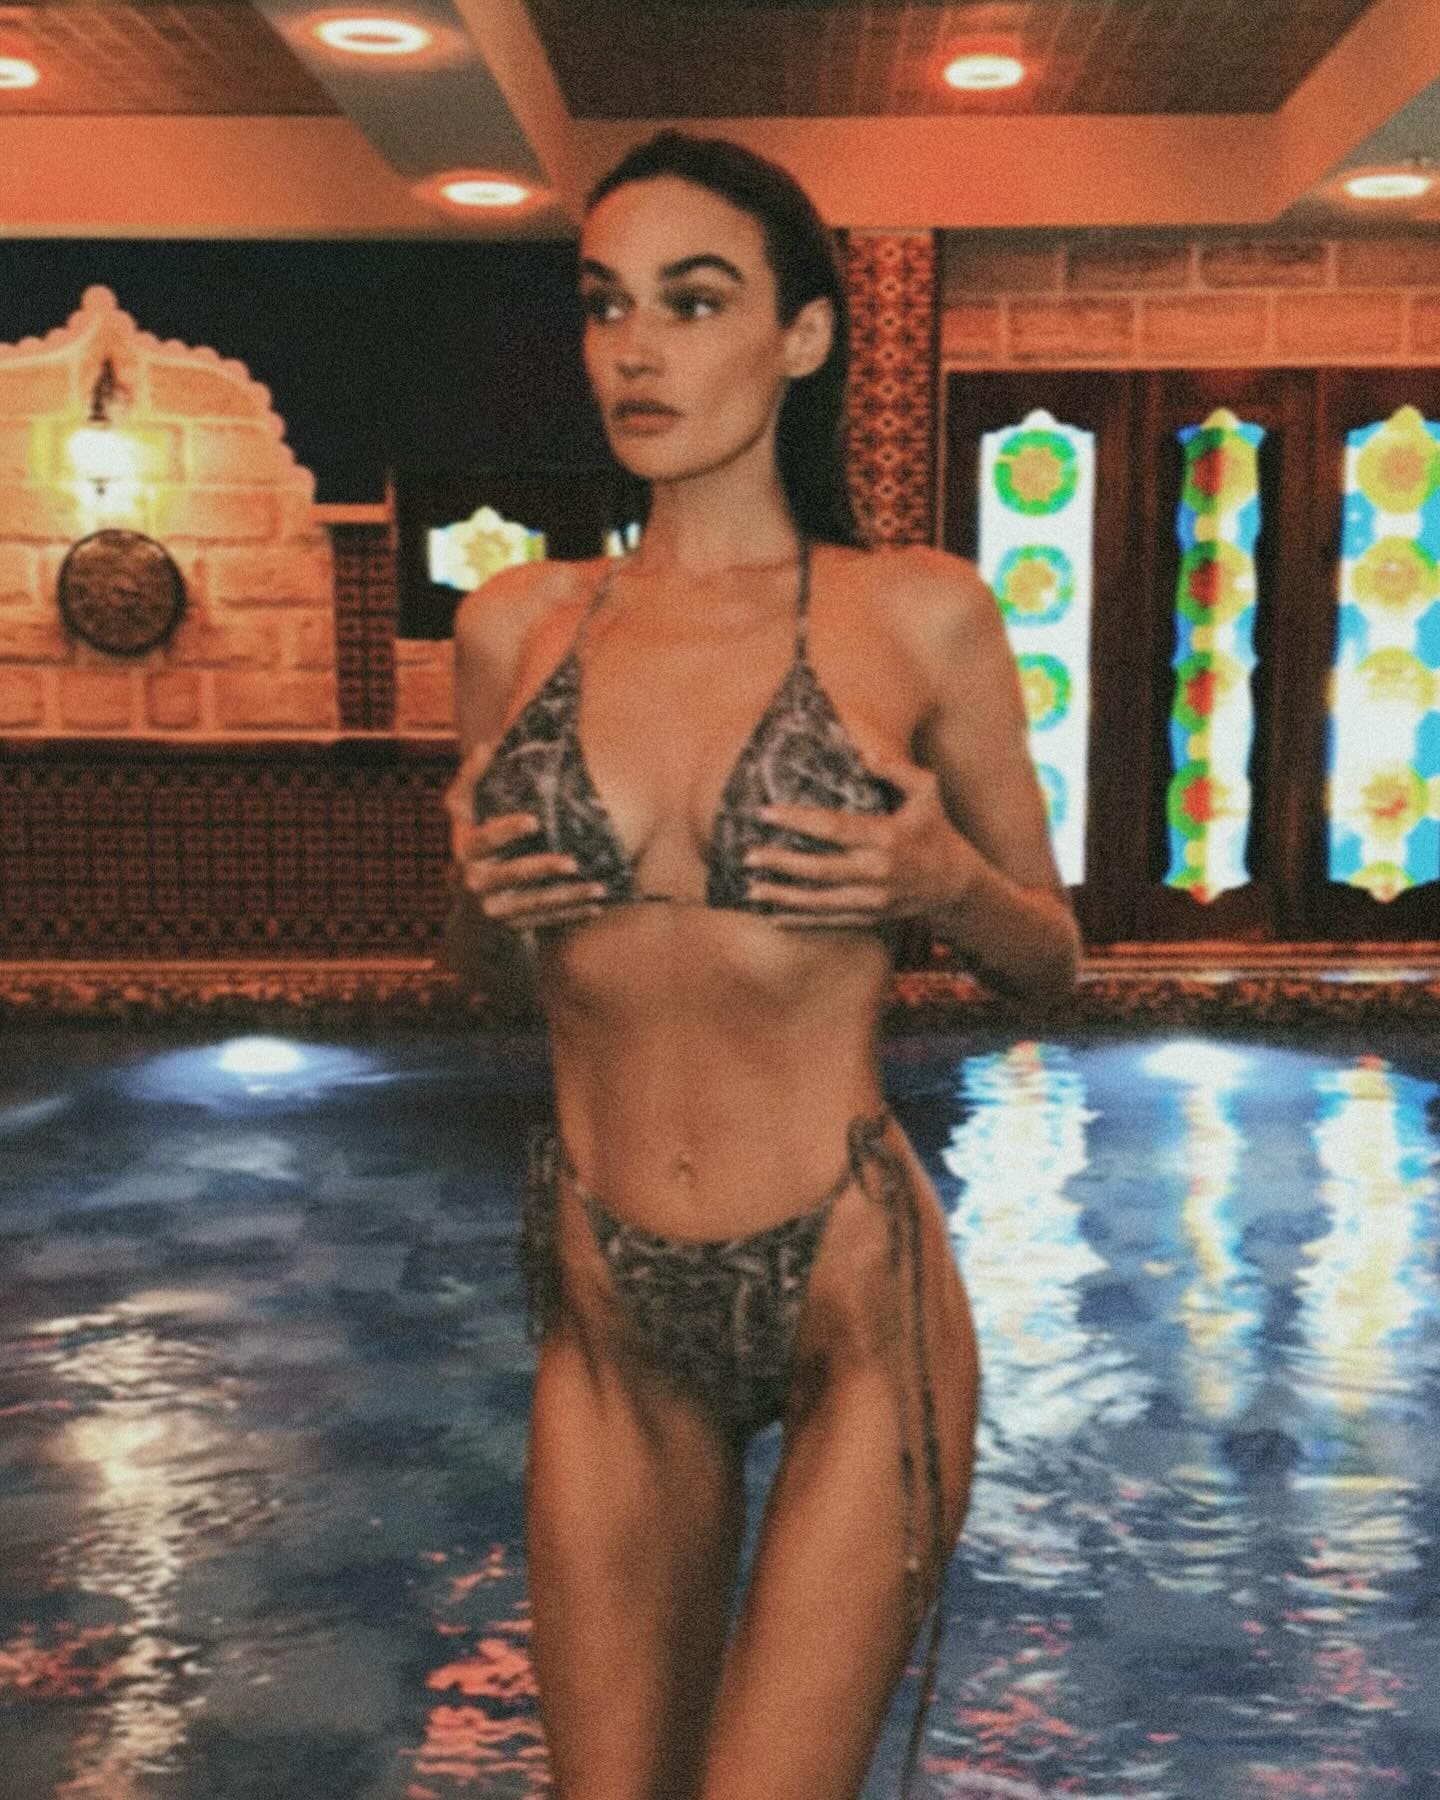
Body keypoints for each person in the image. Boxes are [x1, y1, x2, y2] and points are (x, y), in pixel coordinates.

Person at [442, 129, 1080, 1800]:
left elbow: (1053, 963)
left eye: (694, 300)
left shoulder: (917, 613)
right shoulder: (516, 627)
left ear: (802, 334)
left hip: (852, 1295)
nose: (637, 350)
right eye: (607, 304)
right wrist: (481, 901)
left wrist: (945, 879)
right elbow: (496, 980)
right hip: (609, 1311)